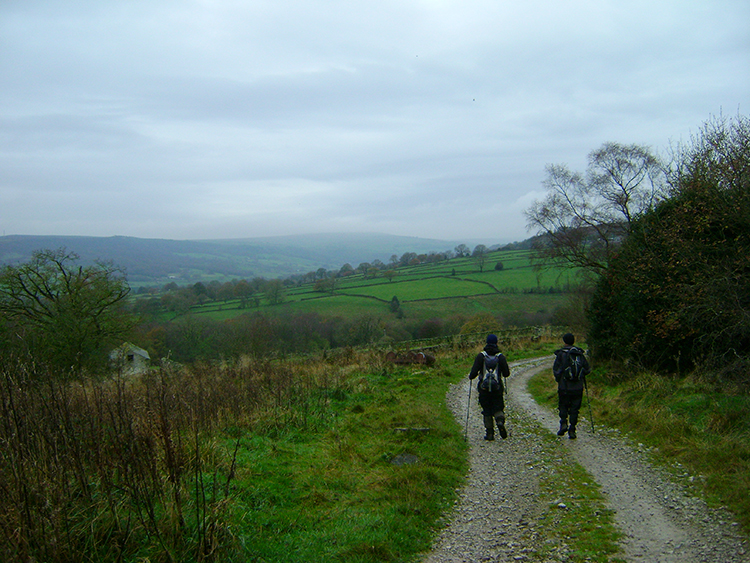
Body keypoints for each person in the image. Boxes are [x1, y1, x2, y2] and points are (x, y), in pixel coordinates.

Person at [469, 334, 510, 440]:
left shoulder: (481, 356)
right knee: (498, 406)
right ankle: (500, 421)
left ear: (486, 342)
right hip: (497, 388)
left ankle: (490, 433)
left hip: (484, 389)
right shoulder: (500, 357)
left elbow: (473, 374)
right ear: (496, 342)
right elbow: (506, 374)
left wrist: (472, 376)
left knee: (486, 410)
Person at [552, 333, 591, 439]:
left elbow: (556, 370)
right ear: (574, 341)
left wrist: (559, 379)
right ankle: (572, 429)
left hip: (564, 386)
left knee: (563, 405)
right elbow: (587, 369)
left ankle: (563, 423)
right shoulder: (579, 354)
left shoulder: (561, 354)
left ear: (564, 341)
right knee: (575, 409)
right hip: (577, 387)